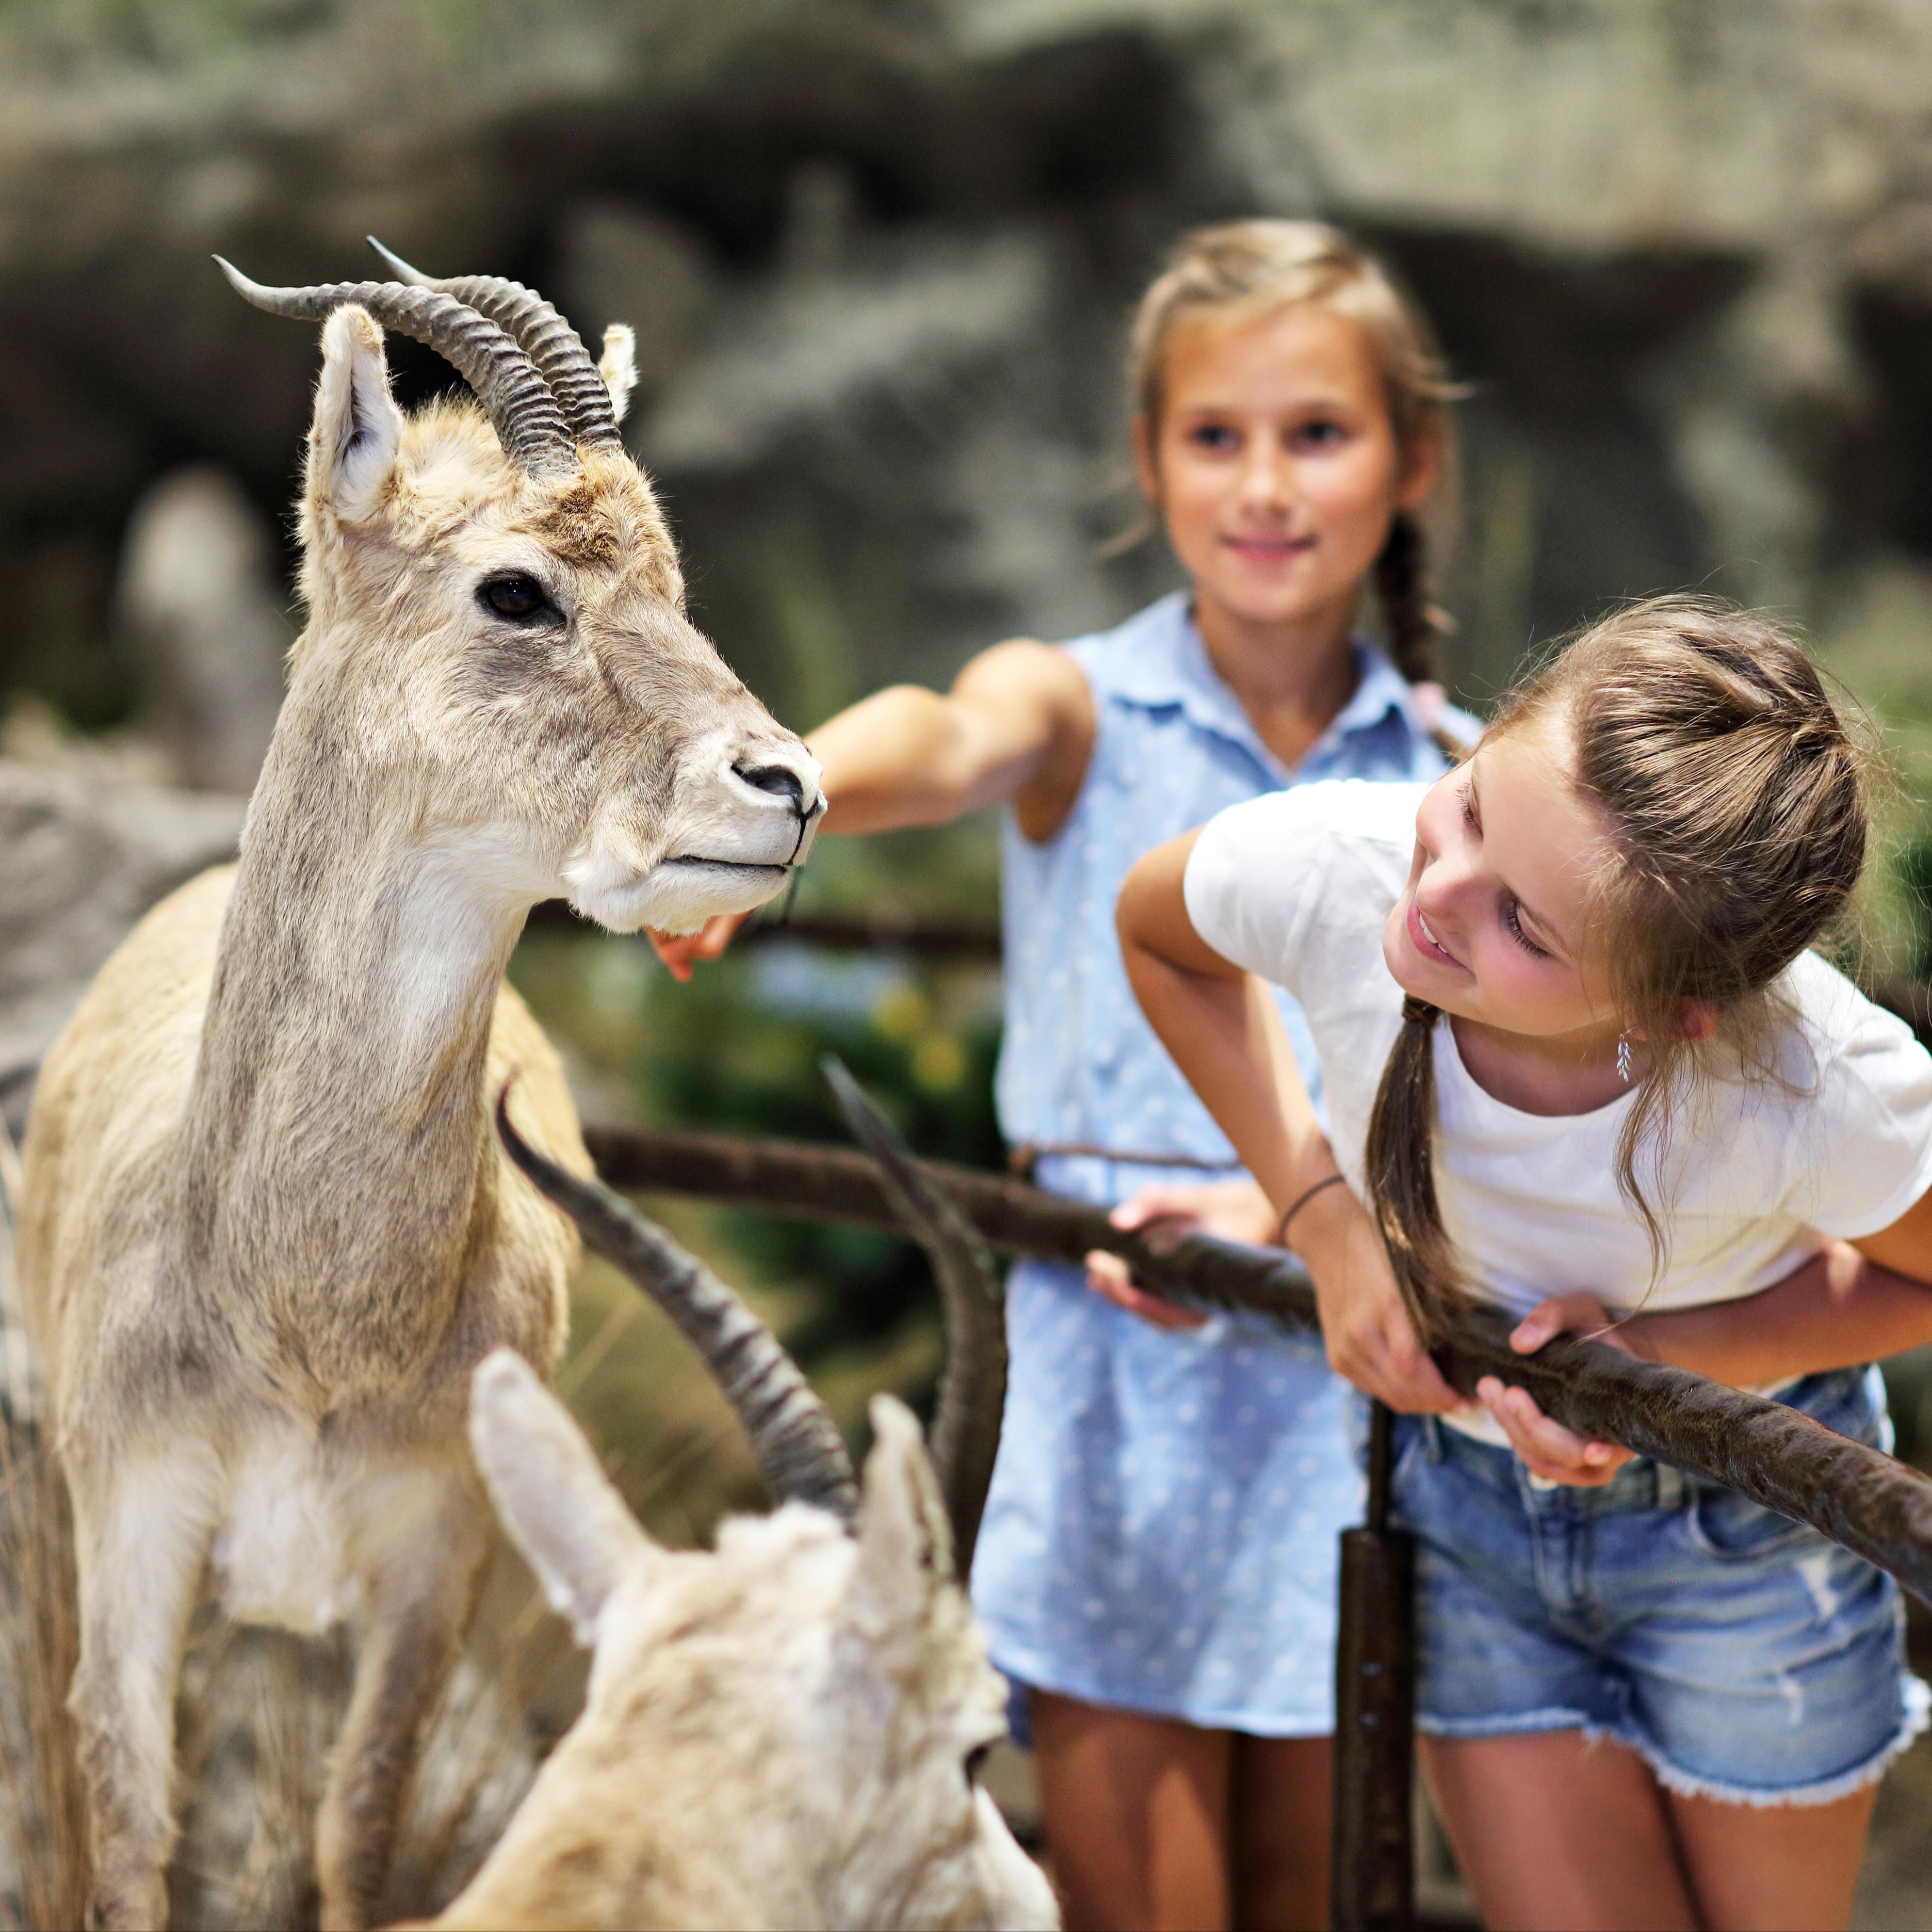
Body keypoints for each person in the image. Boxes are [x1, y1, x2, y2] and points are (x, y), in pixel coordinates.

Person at [651, 219, 1474, 1930]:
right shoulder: (1079, 706)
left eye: (1315, 433)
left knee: (1325, 1884)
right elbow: (945, 735)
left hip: (1346, 1375)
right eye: (1213, 436)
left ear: (1411, 460)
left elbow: (1471, 1087)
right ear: (1147, 460)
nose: (1264, 484)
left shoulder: (1462, 780)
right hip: (1115, 1379)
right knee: (1136, 1892)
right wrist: (785, 788)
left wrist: (1284, 1195)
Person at [1116, 594, 1932, 1932]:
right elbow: (1156, 929)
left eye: (1526, 928)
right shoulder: (1345, 861)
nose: (1433, 894)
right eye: (1474, 807)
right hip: (1466, 1516)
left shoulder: (1807, 1086)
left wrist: (1668, 1365)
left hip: (1744, 1537)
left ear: (1677, 1010)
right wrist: (1315, 1216)